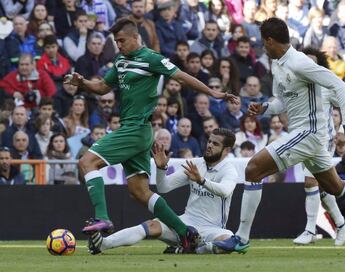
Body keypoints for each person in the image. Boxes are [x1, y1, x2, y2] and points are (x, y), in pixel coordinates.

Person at [214, 18, 345, 253]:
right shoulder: (278, 64)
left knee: (252, 169)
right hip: (305, 136)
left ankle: (240, 238)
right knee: (335, 187)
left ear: (270, 40)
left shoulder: (300, 62)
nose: (263, 47)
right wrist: (265, 108)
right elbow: (283, 101)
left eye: (264, 43)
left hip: (309, 134)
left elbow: (340, 87)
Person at [64, 18, 237, 252]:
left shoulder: (152, 58)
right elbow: (103, 87)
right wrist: (82, 82)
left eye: (122, 40)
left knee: (87, 161)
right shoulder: (120, 61)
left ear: (136, 37)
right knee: (140, 192)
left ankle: (102, 217)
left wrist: (211, 92)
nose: (119, 45)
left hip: (136, 128)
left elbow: (181, 76)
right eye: (116, 42)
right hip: (132, 129)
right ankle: (186, 232)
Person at [87, 128, 239, 255]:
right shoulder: (196, 163)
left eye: (215, 144)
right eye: (210, 141)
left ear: (226, 150)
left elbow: (225, 191)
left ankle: (192, 249)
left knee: (230, 241)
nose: (210, 145)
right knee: (150, 226)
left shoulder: (229, 170)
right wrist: (161, 169)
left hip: (212, 228)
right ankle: (102, 244)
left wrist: (202, 181)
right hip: (186, 224)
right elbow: (163, 187)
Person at [293, 47, 345, 246]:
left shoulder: (326, 85)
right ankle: (341, 222)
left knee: (311, 182)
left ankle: (310, 230)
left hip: (323, 140)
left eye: (312, 61)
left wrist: (343, 129)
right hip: (304, 139)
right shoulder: (297, 86)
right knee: (323, 185)